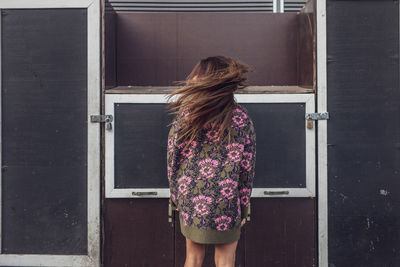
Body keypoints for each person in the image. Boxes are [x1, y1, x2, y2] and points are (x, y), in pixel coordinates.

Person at [166, 56, 256, 267]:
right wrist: (243, 207)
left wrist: (176, 196)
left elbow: (173, 159)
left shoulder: (187, 116)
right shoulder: (241, 118)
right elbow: (246, 168)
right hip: (226, 200)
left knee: (193, 258)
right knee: (225, 261)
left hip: (191, 197)